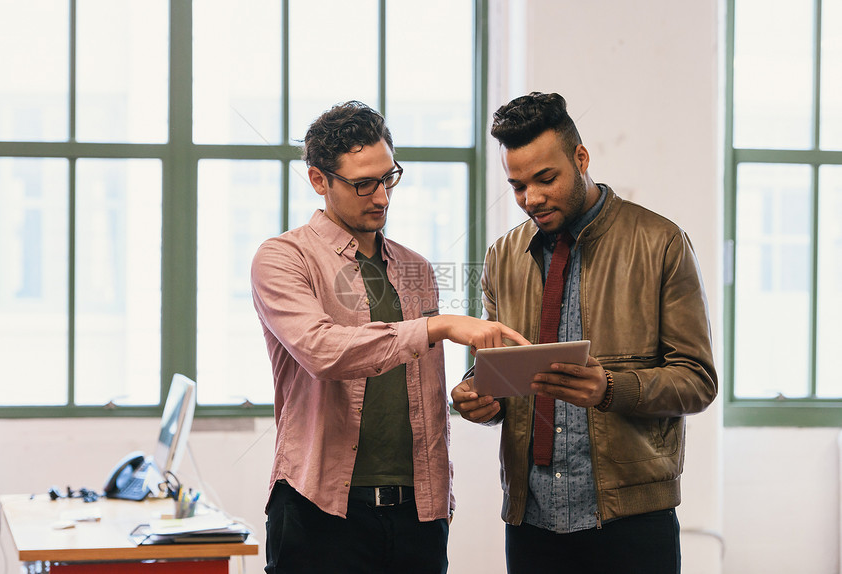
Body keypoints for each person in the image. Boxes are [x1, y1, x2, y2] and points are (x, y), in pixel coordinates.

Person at [251, 100, 528, 574]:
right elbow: (322, 350)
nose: (380, 197)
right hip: (320, 511)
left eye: (388, 178)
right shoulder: (282, 258)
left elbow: (422, 385)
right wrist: (438, 326)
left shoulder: (416, 268)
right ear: (319, 181)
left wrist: (469, 394)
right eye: (362, 184)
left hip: (418, 513)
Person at [451, 92, 718, 574]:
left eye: (545, 179)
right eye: (516, 186)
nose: (531, 198)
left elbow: (697, 381)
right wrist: (476, 395)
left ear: (581, 158)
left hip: (631, 518)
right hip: (530, 519)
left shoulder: (660, 244)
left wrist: (610, 388)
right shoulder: (502, 257)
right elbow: (499, 366)